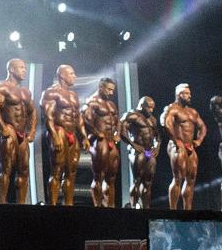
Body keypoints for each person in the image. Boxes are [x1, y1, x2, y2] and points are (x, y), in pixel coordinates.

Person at [0, 58, 37, 204]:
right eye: (21, 67)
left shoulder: (25, 92)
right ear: (11, 70)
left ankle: (21, 203)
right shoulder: (2, 88)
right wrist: (3, 127)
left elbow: (32, 111)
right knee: (7, 168)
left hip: (22, 133)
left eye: (25, 67)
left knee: (24, 169)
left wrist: (33, 130)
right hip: (9, 130)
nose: (24, 70)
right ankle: (2, 202)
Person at [40, 64, 88, 206]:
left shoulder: (73, 95)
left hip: (72, 133)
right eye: (72, 73)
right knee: (56, 171)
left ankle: (69, 204)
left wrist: (84, 136)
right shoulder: (51, 93)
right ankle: (53, 205)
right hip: (59, 131)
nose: (75, 76)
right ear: (62, 75)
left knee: (71, 172)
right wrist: (54, 135)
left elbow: (78, 117)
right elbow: (47, 116)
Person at [160, 83, 207, 210]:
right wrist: (176, 140)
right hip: (176, 145)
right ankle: (173, 210)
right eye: (187, 94)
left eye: (190, 93)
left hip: (190, 146)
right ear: (179, 95)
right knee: (178, 177)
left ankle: (188, 210)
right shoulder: (172, 108)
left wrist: (199, 140)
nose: (190, 96)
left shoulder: (192, 112)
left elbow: (202, 127)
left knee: (191, 178)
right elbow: (165, 123)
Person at [81, 77, 121, 207]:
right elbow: (86, 120)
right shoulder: (92, 102)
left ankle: (111, 206)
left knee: (112, 177)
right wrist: (96, 132)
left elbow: (118, 120)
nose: (111, 93)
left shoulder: (111, 104)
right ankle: (98, 206)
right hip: (99, 141)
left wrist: (117, 134)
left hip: (111, 140)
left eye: (112, 90)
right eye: (109, 89)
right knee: (99, 176)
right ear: (101, 87)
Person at [121, 95, 160, 209]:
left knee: (148, 182)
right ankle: (133, 206)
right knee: (137, 180)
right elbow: (122, 130)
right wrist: (132, 144)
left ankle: (146, 209)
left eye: (153, 108)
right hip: (137, 151)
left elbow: (158, 136)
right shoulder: (131, 115)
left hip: (148, 151)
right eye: (149, 108)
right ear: (142, 105)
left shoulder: (152, 119)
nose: (151, 110)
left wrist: (157, 147)